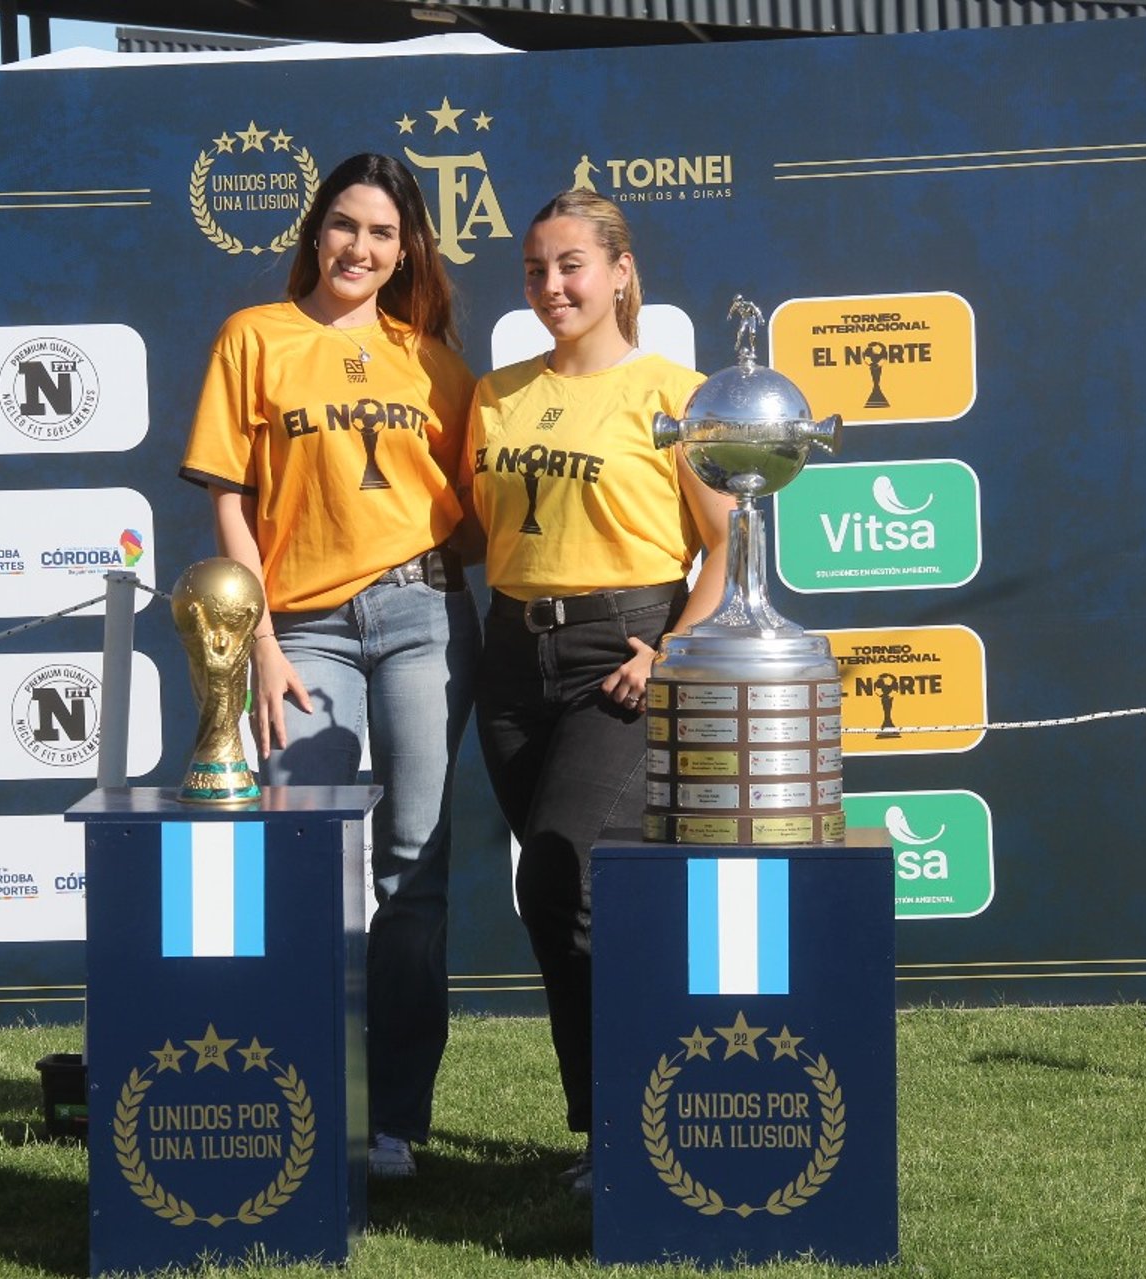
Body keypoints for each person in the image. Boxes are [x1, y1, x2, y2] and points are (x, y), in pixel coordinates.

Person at [180, 153, 480, 1179]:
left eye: (383, 233)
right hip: (299, 629)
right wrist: (258, 643)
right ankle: (299, 1098)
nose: (361, 247)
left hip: (423, 613)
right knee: (303, 858)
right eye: (346, 225)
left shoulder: (431, 360)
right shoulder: (253, 336)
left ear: (407, 251)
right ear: (316, 231)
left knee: (412, 869)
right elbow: (228, 499)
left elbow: (476, 509)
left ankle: (392, 1118)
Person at [461, 190, 732, 1195]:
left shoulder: (677, 394)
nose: (551, 285)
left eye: (571, 264)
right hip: (510, 658)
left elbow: (729, 547)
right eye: (536, 268)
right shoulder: (495, 394)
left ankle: (630, 1123)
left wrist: (667, 651)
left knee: (566, 875)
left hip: (620, 653)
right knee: (553, 897)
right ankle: (608, 1122)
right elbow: (474, 527)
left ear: (621, 272)